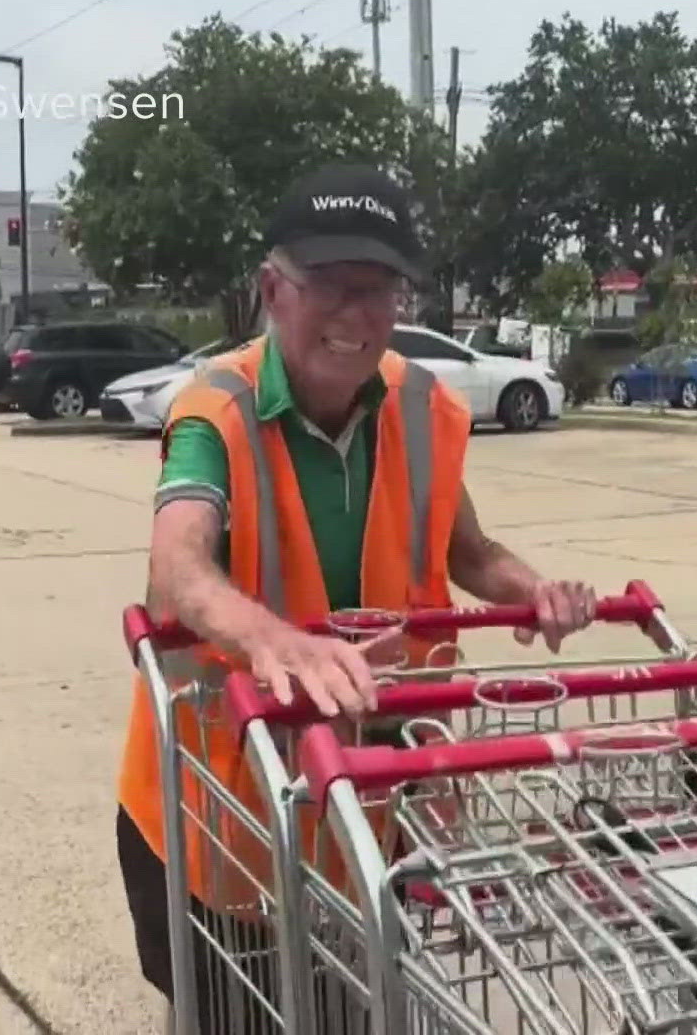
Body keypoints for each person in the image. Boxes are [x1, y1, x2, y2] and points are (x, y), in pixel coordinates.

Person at [113, 162, 600, 1032]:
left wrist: (536, 589)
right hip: (222, 812)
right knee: (238, 1013)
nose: (359, 316)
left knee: (352, 1008)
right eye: (332, 288)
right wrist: (275, 642)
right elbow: (176, 567)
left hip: (360, 801)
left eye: (380, 291)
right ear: (273, 290)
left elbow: (471, 551)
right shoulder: (214, 409)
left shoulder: (420, 405)